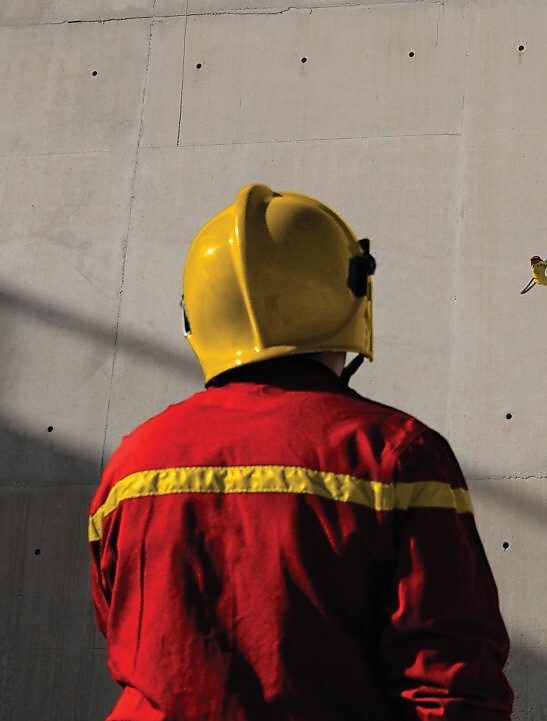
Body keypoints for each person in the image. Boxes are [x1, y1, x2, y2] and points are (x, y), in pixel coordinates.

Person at [87, 184, 513, 720]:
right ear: (351, 292)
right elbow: (449, 684)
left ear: (195, 315)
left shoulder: (133, 465)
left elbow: (125, 632)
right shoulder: (397, 457)